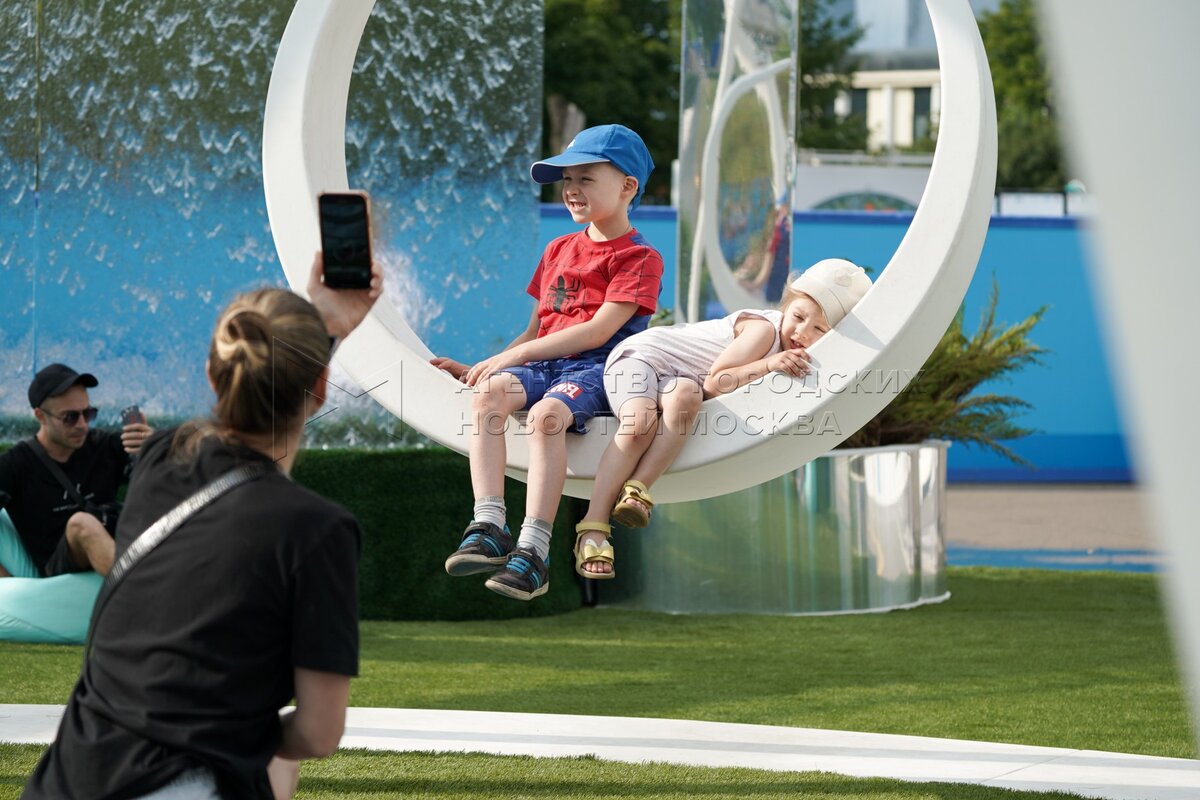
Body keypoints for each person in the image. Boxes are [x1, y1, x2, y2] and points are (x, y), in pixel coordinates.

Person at [22, 253, 382, 800]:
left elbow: (257, 425)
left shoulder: (160, 458)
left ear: (214, 377)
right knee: (278, 764)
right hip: (177, 788)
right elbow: (317, 733)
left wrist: (319, 324)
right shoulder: (319, 530)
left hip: (66, 777)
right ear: (323, 387)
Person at [431, 124, 663, 601]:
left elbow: (597, 333)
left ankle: (534, 552)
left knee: (546, 417)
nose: (571, 189)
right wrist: (486, 366)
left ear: (627, 186)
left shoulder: (640, 257)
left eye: (585, 178)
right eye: (567, 180)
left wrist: (514, 355)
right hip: (544, 364)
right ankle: (489, 525)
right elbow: (536, 333)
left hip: (597, 369)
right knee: (488, 395)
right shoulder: (557, 249)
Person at [573, 258, 872, 578]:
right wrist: (769, 365)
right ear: (786, 305)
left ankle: (637, 490)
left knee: (687, 397)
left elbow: (703, 390)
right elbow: (717, 382)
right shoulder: (764, 330)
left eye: (819, 330)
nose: (802, 332)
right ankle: (592, 528)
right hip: (642, 359)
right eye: (798, 316)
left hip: (680, 381)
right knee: (640, 425)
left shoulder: (791, 354)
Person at [0, 364, 153, 580]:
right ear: (41, 416)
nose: (82, 425)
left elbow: (164, 480)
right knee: (81, 524)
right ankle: (144, 589)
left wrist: (152, 446)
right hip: (60, 566)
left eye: (88, 414)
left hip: (112, 541)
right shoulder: (16, 465)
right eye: (70, 417)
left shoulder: (103, 446)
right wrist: (6, 583)